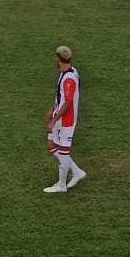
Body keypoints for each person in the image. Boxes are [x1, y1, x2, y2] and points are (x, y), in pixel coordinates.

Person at [43, 45, 86, 193]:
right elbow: (61, 98)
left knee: (63, 152)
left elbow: (67, 103)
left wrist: (55, 120)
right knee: (51, 146)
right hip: (58, 116)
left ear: (58, 58)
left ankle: (61, 185)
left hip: (66, 120)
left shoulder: (69, 78)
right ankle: (77, 172)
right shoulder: (68, 72)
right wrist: (52, 109)